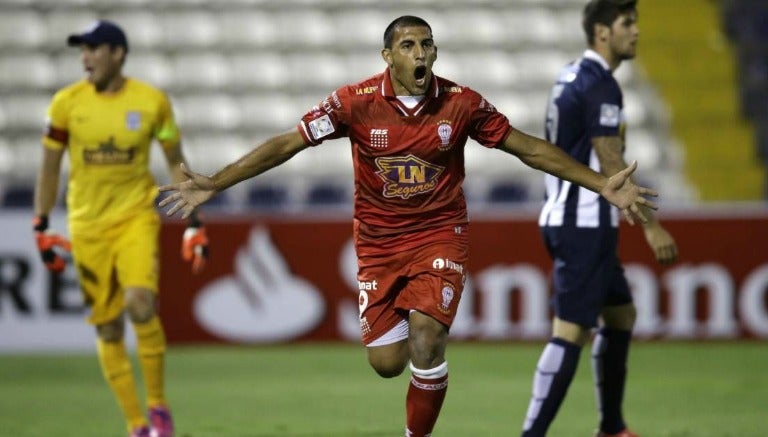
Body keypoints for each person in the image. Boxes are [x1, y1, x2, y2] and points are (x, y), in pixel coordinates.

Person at [158, 15, 657, 437]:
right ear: (387, 57)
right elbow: (290, 142)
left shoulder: (460, 103)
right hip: (377, 245)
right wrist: (217, 183)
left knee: (427, 336)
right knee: (387, 364)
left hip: (441, 234)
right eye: (408, 45)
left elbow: (526, 146)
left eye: (427, 44)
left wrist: (601, 182)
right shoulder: (353, 103)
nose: (421, 53)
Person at [33, 20, 209, 437]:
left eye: (93, 49)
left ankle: (158, 408)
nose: (85, 58)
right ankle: (136, 425)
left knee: (140, 304)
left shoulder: (151, 102)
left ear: (118, 53)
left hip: (135, 218)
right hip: (86, 224)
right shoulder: (65, 104)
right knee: (107, 324)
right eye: (83, 50)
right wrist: (41, 224)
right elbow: (49, 168)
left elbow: (173, 159)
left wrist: (193, 223)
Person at [519, 1, 678, 436]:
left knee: (621, 315)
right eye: (628, 24)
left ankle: (611, 427)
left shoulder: (571, 74)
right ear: (603, 32)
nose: (637, 32)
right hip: (582, 223)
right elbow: (611, 160)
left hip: (572, 217)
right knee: (570, 332)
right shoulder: (600, 84)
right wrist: (652, 225)